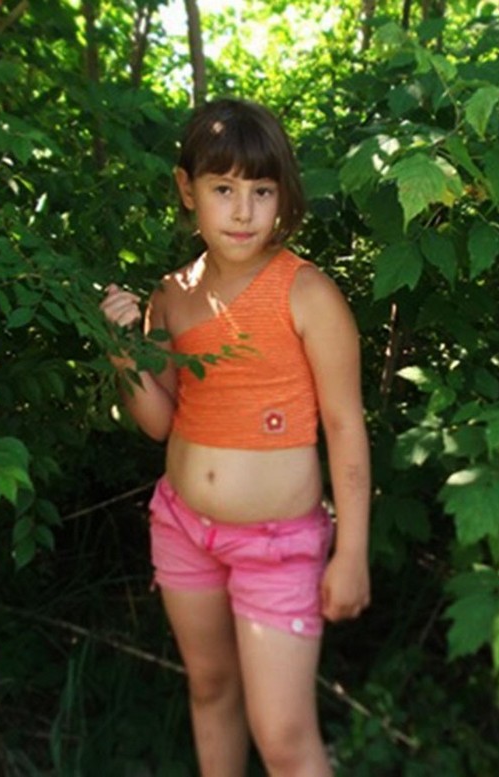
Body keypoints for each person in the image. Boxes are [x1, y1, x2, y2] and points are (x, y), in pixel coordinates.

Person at [100, 97, 370, 777]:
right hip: (183, 528)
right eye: (223, 189)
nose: (244, 211)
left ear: (283, 196)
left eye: (262, 191)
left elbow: (345, 426)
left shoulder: (306, 293)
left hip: (278, 546)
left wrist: (352, 552)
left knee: (282, 736)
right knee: (210, 688)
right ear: (186, 188)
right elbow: (159, 421)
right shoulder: (172, 295)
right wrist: (122, 350)